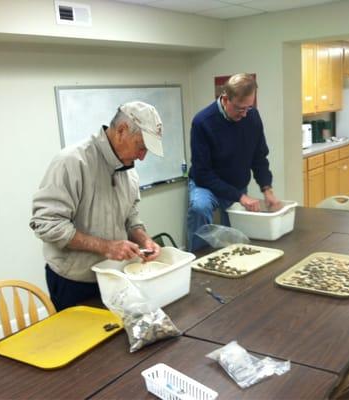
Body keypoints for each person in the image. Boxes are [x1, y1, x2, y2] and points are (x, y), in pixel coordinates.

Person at [30, 101, 164, 311]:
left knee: (117, 340)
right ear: (121, 130)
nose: (142, 156)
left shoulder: (129, 171)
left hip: (115, 276)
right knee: (82, 342)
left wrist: (144, 239)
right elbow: (46, 224)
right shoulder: (72, 162)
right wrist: (106, 247)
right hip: (74, 281)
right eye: (141, 146)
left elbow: (131, 217)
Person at [187, 73, 281, 251]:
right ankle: (197, 259)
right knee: (200, 207)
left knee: (234, 241)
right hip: (206, 184)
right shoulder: (202, 122)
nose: (245, 114)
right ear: (225, 99)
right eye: (239, 108)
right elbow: (202, 173)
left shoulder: (252, 117)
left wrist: (267, 189)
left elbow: (259, 157)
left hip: (236, 184)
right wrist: (240, 197)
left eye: (249, 107)